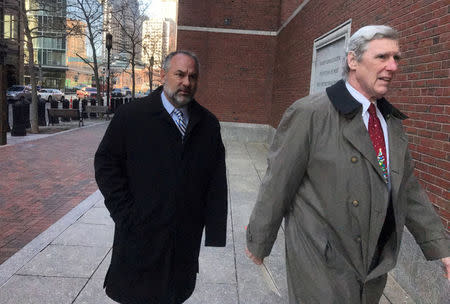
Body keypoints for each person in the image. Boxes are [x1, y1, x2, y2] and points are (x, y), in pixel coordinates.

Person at [245, 25, 449, 303]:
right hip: (320, 258)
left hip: (373, 262)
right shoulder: (310, 113)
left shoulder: (390, 122)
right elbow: (278, 182)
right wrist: (259, 240)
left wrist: (441, 248)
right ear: (353, 61)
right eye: (382, 57)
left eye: (396, 58)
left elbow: (408, 191)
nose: (392, 66)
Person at [95, 50, 228, 304]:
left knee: (175, 294)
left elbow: (216, 181)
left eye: (193, 77)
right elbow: (105, 163)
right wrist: (124, 213)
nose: (187, 82)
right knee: (137, 295)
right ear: (163, 74)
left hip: (183, 239)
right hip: (140, 234)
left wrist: (214, 230)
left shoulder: (208, 125)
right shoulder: (132, 116)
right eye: (180, 74)